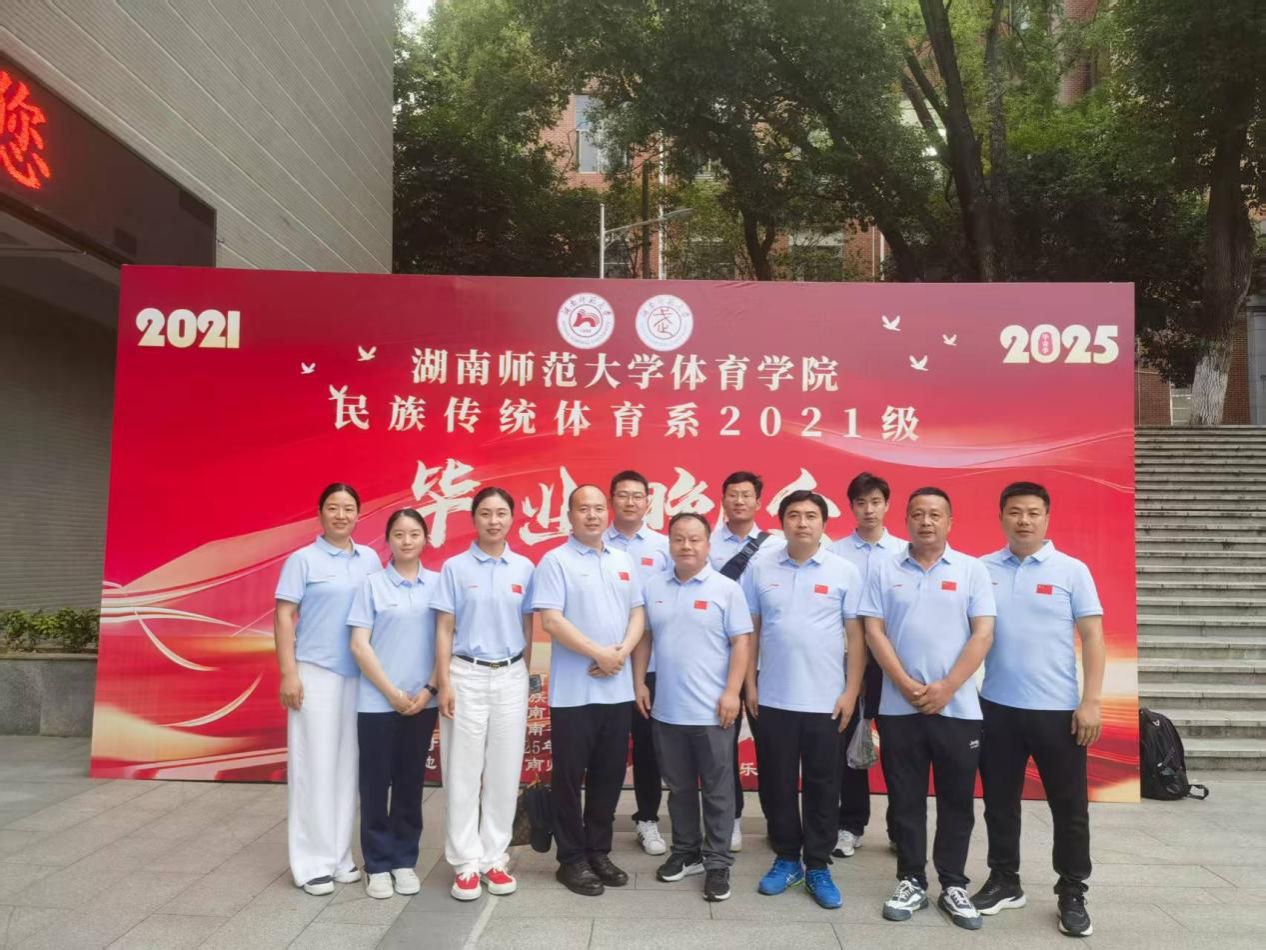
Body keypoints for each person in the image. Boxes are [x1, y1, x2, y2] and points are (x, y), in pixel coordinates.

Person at [859, 487, 996, 930]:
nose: (926, 522)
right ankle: (911, 879)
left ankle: (953, 883)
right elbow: (874, 631)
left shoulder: (972, 570)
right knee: (906, 799)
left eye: (935, 514)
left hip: (958, 708)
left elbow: (983, 634)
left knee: (957, 799)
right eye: (918, 514)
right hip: (899, 707)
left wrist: (948, 686)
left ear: (950, 521)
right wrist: (902, 682)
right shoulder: (884, 568)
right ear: (906, 520)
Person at [973, 482, 1105, 938]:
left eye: (1032, 512)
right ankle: (1005, 880)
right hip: (997, 708)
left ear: (1047, 518)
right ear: (1001, 517)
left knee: (1069, 808)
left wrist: (1091, 702)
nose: (1023, 520)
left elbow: (1093, 636)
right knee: (999, 803)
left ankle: (1072, 891)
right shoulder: (982, 569)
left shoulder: (1072, 571)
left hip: (1059, 712)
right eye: (1015, 512)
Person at [745, 490, 865, 910]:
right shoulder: (761, 568)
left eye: (811, 516)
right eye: (793, 515)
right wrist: (750, 684)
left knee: (823, 784)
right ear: (782, 523)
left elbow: (856, 638)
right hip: (774, 698)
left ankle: (817, 864)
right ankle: (785, 858)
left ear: (823, 524)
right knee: (776, 783)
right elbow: (750, 632)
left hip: (826, 701)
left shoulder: (844, 571)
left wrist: (851, 691)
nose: (802, 523)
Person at [531, 484, 646, 897]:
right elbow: (551, 621)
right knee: (568, 777)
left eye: (599, 508)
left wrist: (621, 653)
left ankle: (598, 851)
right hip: (573, 695)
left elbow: (637, 612)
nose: (593, 515)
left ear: (607, 512)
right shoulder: (555, 561)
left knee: (609, 776)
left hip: (616, 692)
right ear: (570, 515)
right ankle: (571, 858)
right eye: (584, 509)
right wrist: (599, 653)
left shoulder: (623, 559)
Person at [634, 512, 752, 902]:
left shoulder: (726, 589)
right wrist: (639, 682)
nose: (686, 546)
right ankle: (686, 852)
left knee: (718, 791)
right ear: (669, 543)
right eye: (679, 539)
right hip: (668, 709)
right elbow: (645, 637)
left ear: (707, 545)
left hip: (713, 712)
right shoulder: (654, 587)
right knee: (680, 789)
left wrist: (732, 692)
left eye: (695, 539)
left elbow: (741, 642)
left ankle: (717, 862)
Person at [274, 483, 382, 896]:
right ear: (320, 513)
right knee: (313, 766)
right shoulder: (302, 560)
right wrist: (289, 672)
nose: (341, 515)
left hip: (358, 675)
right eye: (333, 508)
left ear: (358, 514)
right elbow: (284, 616)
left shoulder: (370, 559)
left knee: (346, 767)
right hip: (315, 672)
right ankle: (310, 863)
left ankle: (339, 856)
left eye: (348, 508)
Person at [434, 487, 536, 902]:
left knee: (504, 771)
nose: (494, 521)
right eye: (486, 513)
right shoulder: (455, 568)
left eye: (501, 513)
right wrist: (444, 682)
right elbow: (444, 628)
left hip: (511, 674)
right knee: (462, 771)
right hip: (466, 674)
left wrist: (524, 672)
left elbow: (528, 627)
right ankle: (464, 862)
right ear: (474, 518)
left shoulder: (525, 568)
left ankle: (494, 857)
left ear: (512, 518)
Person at [347, 509, 439, 900]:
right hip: (377, 702)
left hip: (422, 702)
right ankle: (377, 864)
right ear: (388, 540)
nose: (406, 541)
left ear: (426, 539)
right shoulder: (372, 585)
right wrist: (390, 692)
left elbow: (446, 641)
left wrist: (429, 690)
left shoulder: (439, 584)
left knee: (409, 782)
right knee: (374, 783)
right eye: (399, 534)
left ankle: (404, 860)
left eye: (414, 534)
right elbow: (359, 645)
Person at [828, 472, 906, 859]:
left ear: (887, 505)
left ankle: (900, 828)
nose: (869, 510)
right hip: (849, 661)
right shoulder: (835, 553)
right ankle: (850, 825)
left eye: (875, 502)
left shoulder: (905, 551)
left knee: (899, 744)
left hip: (894, 661)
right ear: (851, 507)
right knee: (850, 742)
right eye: (861, 503)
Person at [604, 470, 672, 858]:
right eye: (622, 495)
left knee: (648, 748)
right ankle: (599, 819)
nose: (630, 502)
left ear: (648, 501)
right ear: (612, 500)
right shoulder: (595, 544)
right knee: (607, 747)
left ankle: (647, 818)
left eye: (637, 496)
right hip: (604, 664)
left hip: (654, 666)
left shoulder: (664, 546)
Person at [709, 470, 774, 851]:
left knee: (772, 747)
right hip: (721, 658)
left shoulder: (774, 546)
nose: (739, 501)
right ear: (723, 500)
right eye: (732, 494)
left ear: (758, 502)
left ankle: (776, 820)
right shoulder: (708, 543)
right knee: (723, 747)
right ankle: (729, 819)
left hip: (767, 661)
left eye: (747, 495)